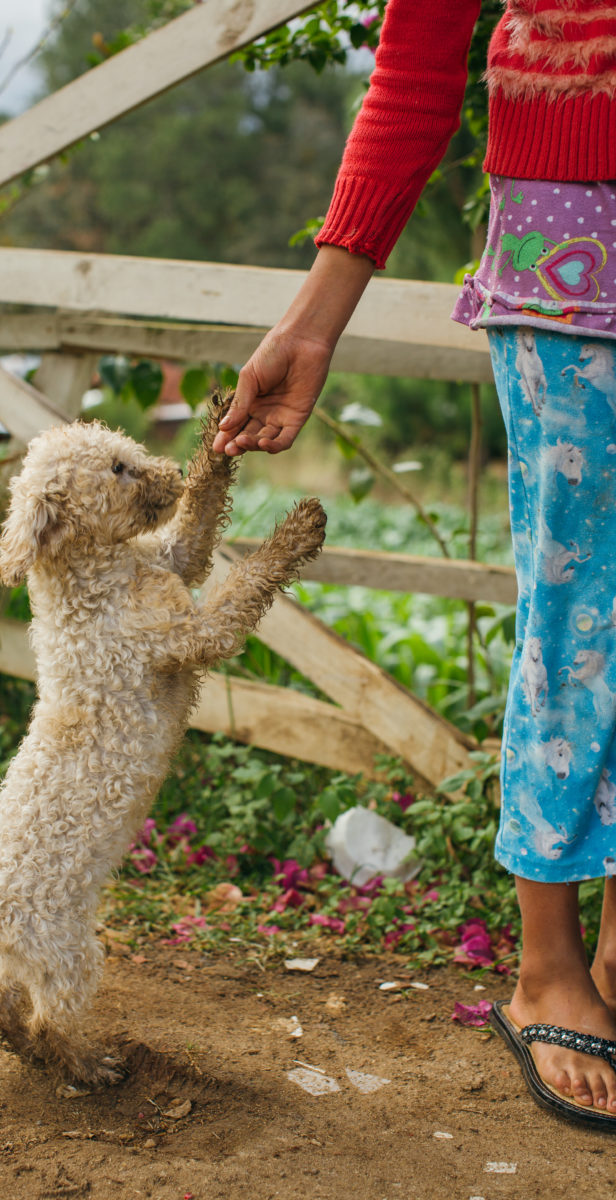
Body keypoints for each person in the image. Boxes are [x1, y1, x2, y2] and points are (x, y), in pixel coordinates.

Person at [212, 0, 616, 1129]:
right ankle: (547, 961)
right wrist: (310, 323)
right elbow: (417, 57)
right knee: (579, 604)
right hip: (577, 223)